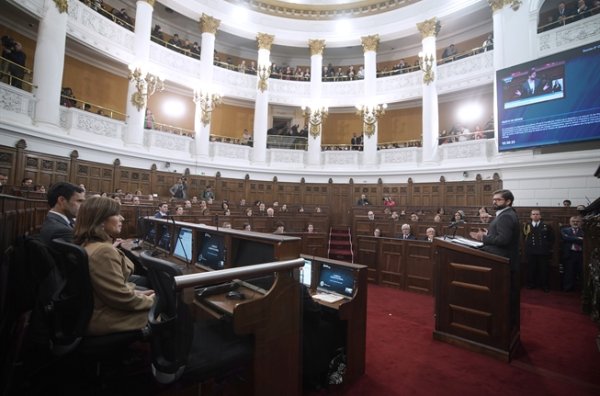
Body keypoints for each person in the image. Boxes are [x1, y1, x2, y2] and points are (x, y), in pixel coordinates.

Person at [73, 196, 154, 336]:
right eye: (116, 214)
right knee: (166, 309)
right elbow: (122, 298)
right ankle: (169, 356)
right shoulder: (103, 251)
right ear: (101, 221)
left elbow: (110, 290)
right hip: (105, 317)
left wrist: (138, 293)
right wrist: (152, 299)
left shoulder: (88, 244)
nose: (122, 218)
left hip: (97, 309)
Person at [470, 190, 520, 324]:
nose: (494, 202)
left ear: (508, 201)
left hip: (501, 260)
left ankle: (501, 322)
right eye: (494, 199)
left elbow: (504, 240)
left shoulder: (506, 216)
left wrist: (484, 237)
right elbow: (500, 235)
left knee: (503, 298)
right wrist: (489, 233)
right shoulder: (506, 214)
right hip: (501, 258)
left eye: (498, 200)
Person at [523, 209, 554, 292]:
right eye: (533, 214)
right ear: (531, 216)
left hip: (543, 251)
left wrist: (546, 246)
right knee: (531, 269)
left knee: (543, 269)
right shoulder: (527, 225)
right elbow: (523, 237)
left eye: (537, 214)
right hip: (531, 251)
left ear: (540, 216)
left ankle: (544, 286)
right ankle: (531, 284)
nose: (535, 215)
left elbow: (551, 238)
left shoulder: (546, 226)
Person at [560, 216, 584, 292]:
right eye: (573, 221)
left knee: (581, 272)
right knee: (569, 272)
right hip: (570, 254)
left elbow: (584, 241)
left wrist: (571, 238)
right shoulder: (564, 230)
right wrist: (578, 238)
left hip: (581, 255)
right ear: (570, 222)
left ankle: (582, 290)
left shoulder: (584, 231)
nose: (575, 223)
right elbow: (565, 238)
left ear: (580, 222)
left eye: (577, 221)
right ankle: (567, 289)